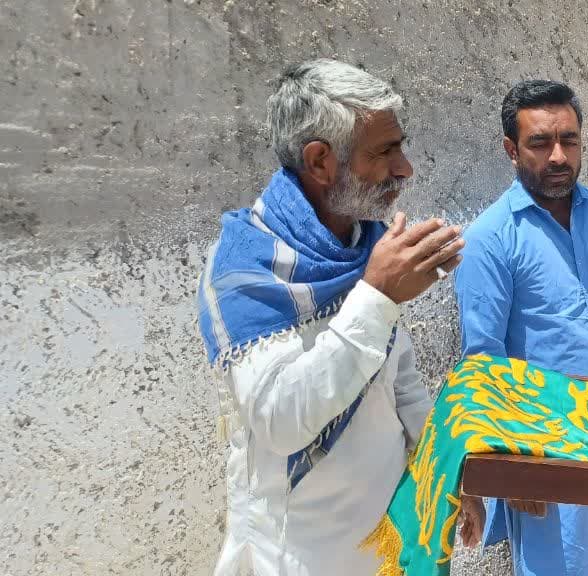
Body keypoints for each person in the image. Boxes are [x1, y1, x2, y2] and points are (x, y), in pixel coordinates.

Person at [197, 59, 465, 575]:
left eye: (401, 147)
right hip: (301, 554)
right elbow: (280, 421)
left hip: (391, 539)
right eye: (384, 151)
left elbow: (400, 383)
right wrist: (377, 296)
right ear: (320, 161)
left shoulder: (363, 245)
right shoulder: (246, 266)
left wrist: (445, 483)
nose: (405, 168)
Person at [452, 80, 588, 575]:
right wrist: (513, 461)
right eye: (540, 143)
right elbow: (482, 362)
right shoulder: (490, 239)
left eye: (569, 140)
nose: (558, 156)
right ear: (511, 149)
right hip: (549, 456)